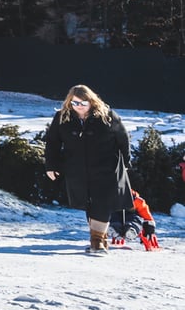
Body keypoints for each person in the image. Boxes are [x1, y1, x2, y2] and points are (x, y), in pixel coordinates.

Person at [44, 84, 131, 255]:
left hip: (107, 168)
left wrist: (126, 163)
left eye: (83, 103)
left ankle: (96, 242)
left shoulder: (108, 116)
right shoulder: (62, 118)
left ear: (92, 101)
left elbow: (123, 139)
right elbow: (53, 142)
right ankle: (99, 238)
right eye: (75, 103)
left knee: (102, 203)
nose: (79, 107)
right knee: (89, 204)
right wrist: (51, 166)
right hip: (77, 170)